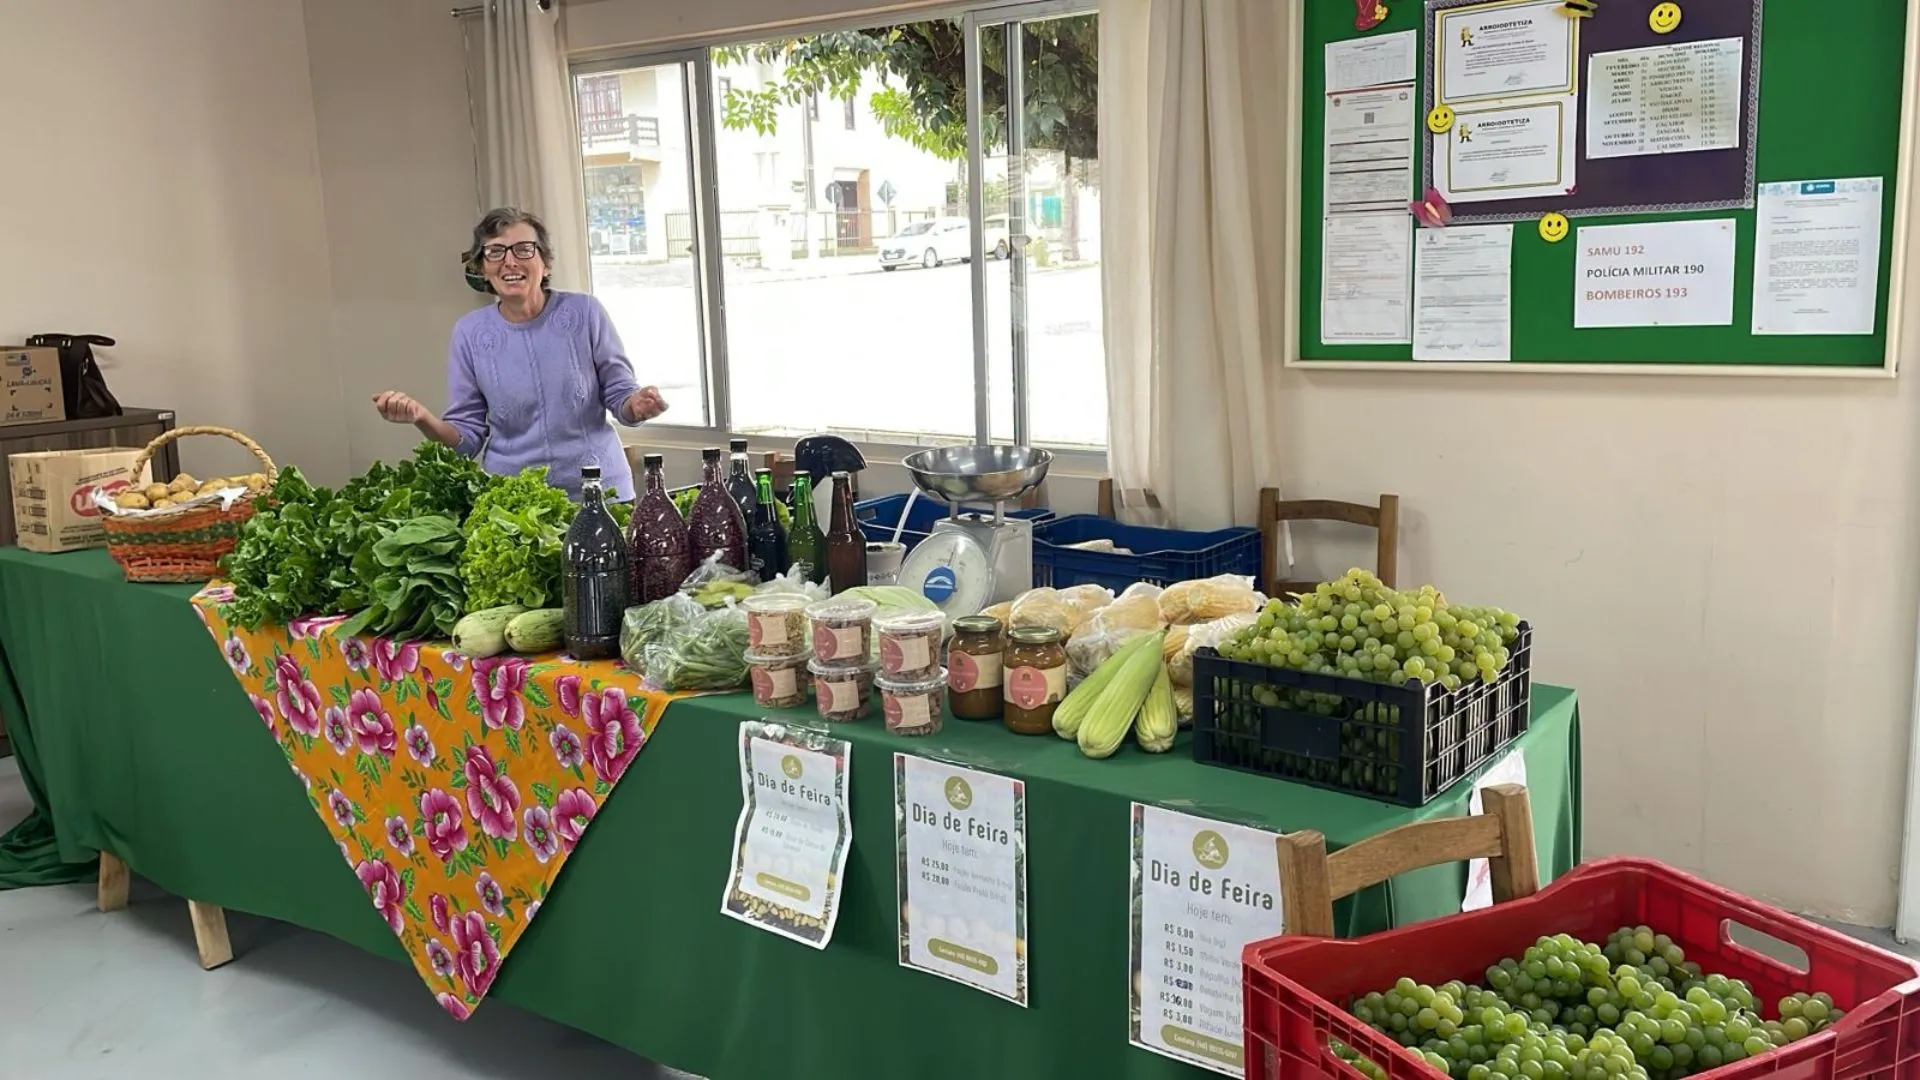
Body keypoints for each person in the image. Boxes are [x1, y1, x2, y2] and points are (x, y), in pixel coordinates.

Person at [373, 207, 667, 500]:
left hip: (600, 492)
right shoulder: (469, 332)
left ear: (546, 263)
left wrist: (636, 405)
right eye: (495, 252)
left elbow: (620, 394)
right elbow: (465, 440)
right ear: (481, 268)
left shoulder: (585, 312)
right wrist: (422, 417)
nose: (509, 261)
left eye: (524, 249)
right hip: (515, 504)